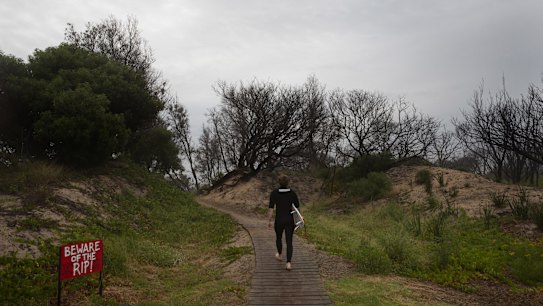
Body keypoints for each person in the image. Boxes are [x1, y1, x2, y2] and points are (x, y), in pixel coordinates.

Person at [267, 174, 301, 270]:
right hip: (289, 220)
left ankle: (280, 255)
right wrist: (298, 219)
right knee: (289, 241)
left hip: (279, 220)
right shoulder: (292, 193)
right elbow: (296, 207)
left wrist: (269, 220)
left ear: (279, 182)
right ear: (288, 182)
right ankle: (288, 263)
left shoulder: (274, 193)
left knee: (278, 238)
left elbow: (271, 208)